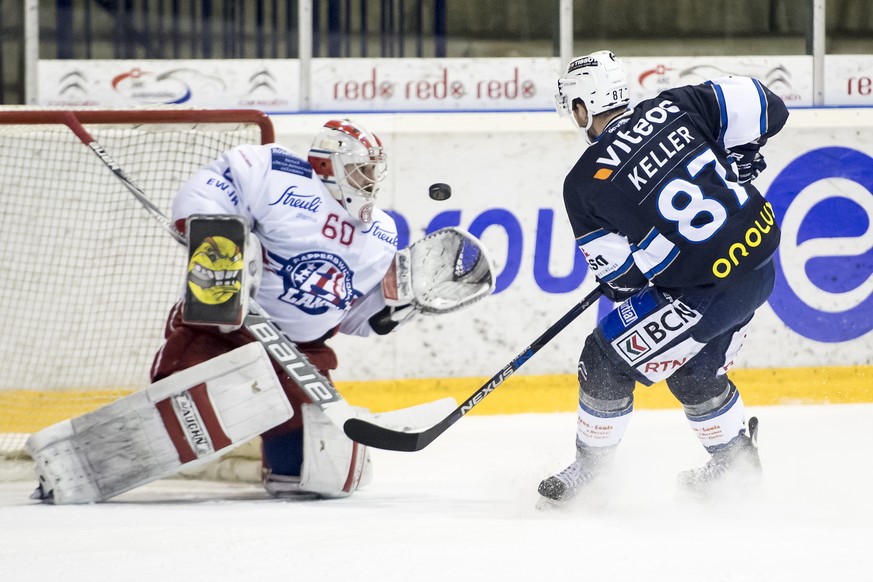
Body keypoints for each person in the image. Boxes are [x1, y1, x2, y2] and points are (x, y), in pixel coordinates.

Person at [151, 119, 492, 499]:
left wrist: (400, 306)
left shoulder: (380, 233)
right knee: (182, 426)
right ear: (330, 165)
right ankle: (219, 441)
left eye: (374, 170)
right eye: (362, 168)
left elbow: (352, 315)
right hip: (224, 334)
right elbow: (211, 187)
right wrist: (215, 237)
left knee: (320, 475)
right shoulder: (276, 172)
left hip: (298, 357)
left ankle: (245, 455)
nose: (370, 179)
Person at [538, 51, 789, 503]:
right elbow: (770, 104)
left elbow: (622, 283)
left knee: (602, 359)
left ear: (582, 108)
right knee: (693, 371)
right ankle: (736, 465)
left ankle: (592, 474)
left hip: (704, 293)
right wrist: (742, 156)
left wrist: (643, 260)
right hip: (761, 264)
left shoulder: (583, 183)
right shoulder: (679, 105)